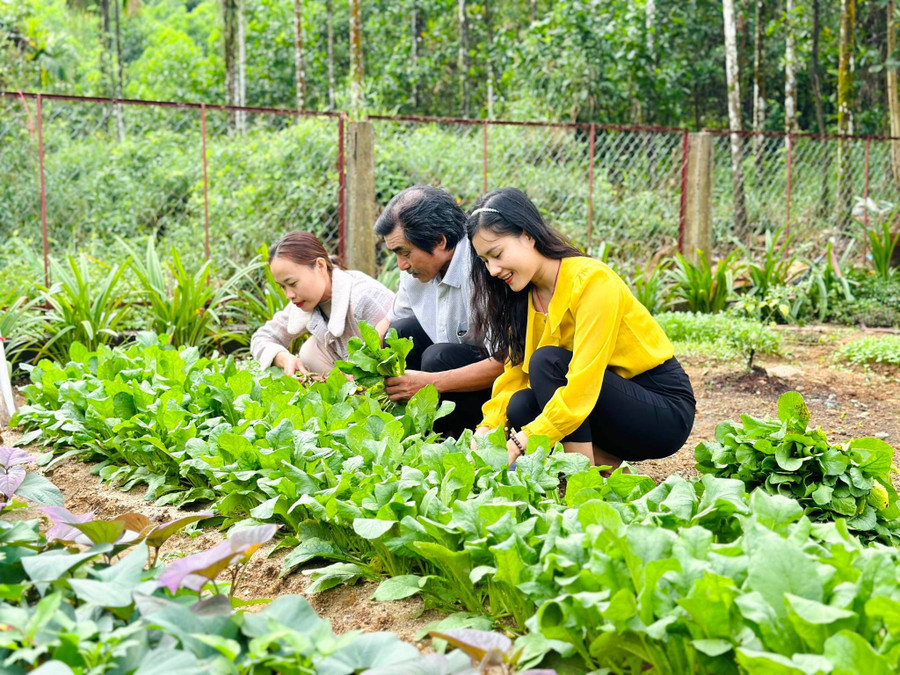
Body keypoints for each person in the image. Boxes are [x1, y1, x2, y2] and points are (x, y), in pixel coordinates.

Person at [468, 188, 695, 468]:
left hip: (660, 408)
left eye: (497, 254)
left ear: (527, 235)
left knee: (547, 362)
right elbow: (514, 376)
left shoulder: (591, 281)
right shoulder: (522, 298)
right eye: (485, 261)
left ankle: (583, 479)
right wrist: (486, 429)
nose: (492, 270)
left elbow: (582, 384)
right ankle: (603, 463)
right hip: (606, 405)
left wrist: (523, 439)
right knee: (521, 404)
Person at [374, 185, 505, 437]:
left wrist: (428, 382)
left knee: (438, 357)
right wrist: (363, 360)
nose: (401, 264)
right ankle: (412, 428)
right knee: (399, 333)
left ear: (440, 241)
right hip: (453, 370)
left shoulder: (483, 267)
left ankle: (452, 438)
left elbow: (505, 363)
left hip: (495, 392)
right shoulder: (414, 271)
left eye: (405, 252)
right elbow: (391, 318)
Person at [251, 231, 394, 376]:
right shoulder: (304, 303)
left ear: (320, 265)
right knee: (310, 351)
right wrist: (284, 358)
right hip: (356, 388)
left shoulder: (365, 297)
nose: (289, 295)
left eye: (292, 283)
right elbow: (262, 337)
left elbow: (401, 346)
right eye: (282, 286)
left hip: (392, 382)